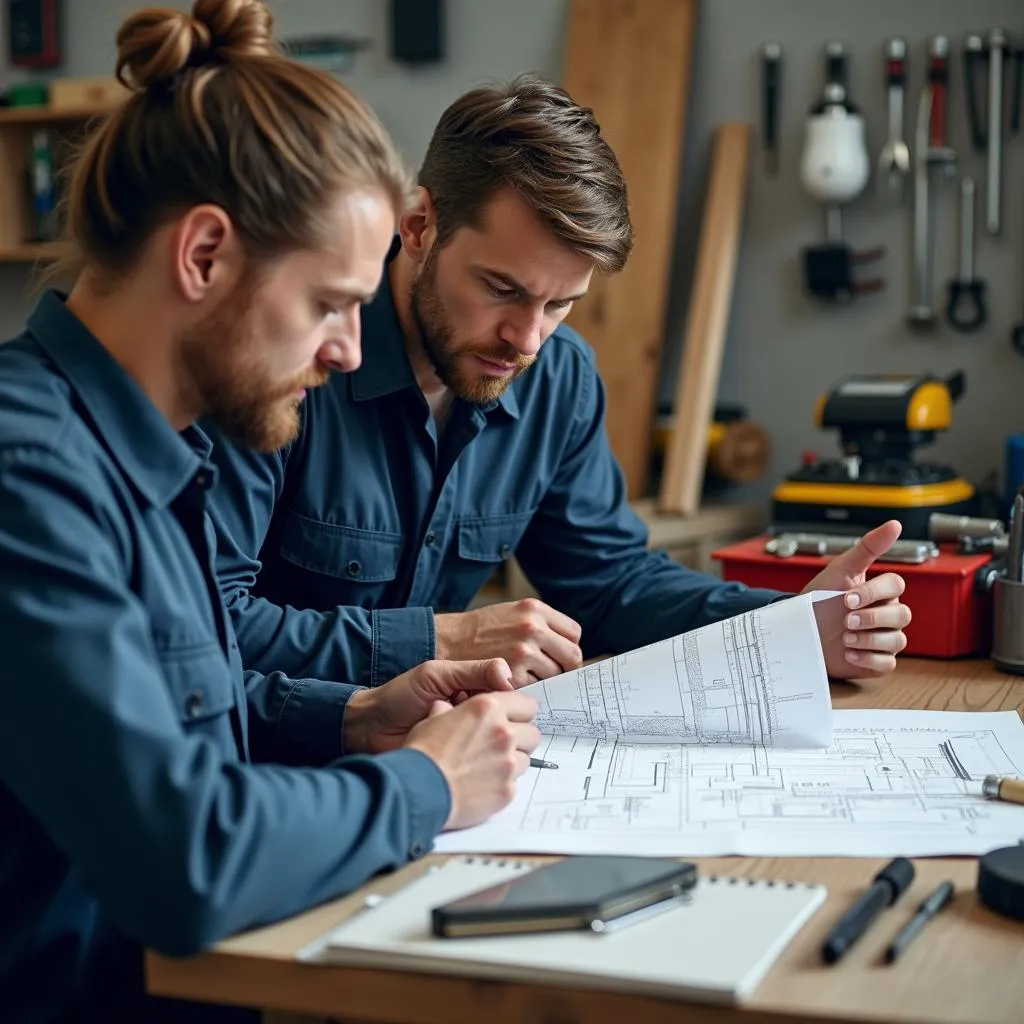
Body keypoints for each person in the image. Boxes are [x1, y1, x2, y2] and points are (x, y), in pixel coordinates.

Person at [0, 3, 541, 1021]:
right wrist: (427, 784)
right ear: (203, 255)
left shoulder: (157, 448)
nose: (346, 350)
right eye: (330, 303)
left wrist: (353, 714)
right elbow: (183, 851)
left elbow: (160, 722)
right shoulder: (29, 475)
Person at [205, 73, 911, 694]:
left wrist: (789, 628)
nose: (528, 339)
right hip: (266, 758)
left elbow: (608, 586)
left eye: (560, 303)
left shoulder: (559, 380)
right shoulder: (289, 359)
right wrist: (442, 641)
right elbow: (212, 624)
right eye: (501, 288)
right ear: (420, 226)